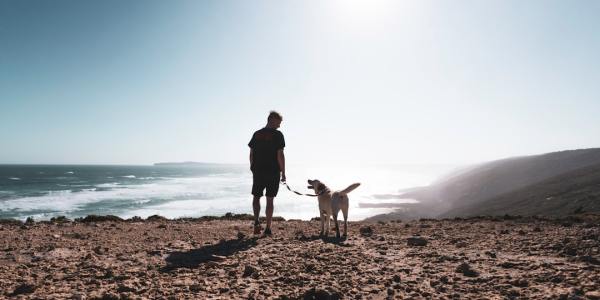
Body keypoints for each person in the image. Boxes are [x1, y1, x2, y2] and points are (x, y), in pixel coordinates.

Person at [248, 111, 286, 235]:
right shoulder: (278, 135)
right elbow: (280, 155)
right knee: (270, 200)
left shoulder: (257, 134)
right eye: (278, 122)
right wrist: (283, 172)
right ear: (271, 119)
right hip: (273, 171)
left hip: (258, 170)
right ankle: (268, 228)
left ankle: (256, 222)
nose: (279, 126)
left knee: (256, 197)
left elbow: (251, 154)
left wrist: (252, 167)